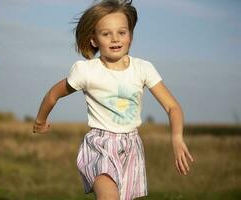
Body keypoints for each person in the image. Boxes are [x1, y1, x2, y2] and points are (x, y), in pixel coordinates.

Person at [33, 0, 194, 199]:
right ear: (94, 40)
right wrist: (40, 121)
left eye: (122, 32)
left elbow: (172, 107)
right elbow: (53, 94)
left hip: (132, 147)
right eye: (106, 34)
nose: (115, 39)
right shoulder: (86, 71)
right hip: (100, 145)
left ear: (130, 37)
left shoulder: (143, 69)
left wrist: (177, 138)